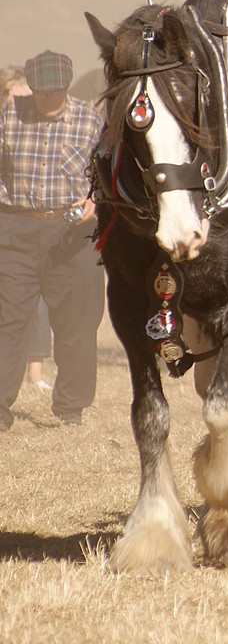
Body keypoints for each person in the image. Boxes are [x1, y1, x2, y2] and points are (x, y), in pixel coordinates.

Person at [0, 51, 105, 431]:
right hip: (17, 228)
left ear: (67, 86)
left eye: (56, 93)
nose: (49, 100)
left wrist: (96, 199)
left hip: (73, 233)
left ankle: (71, 408)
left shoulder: (90, 119)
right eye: (42, 93)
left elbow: (109, 171)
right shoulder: (9, 115)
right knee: (8, 321)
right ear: (31, 88)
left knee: (78, 323)